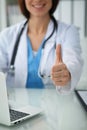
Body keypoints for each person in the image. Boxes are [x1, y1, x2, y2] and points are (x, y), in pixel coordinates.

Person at [0, 0, 83, 93]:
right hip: (15, 104)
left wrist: (66, 72)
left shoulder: (68, 31)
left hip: (56, 105)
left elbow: (74, 62)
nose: (38, 0)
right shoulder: (7, 35)